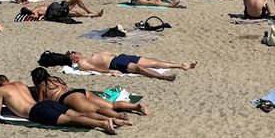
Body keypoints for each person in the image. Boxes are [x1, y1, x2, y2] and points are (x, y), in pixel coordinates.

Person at [0, 76, 118, 133]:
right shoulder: (20, 83)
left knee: (71, 120)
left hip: (35, 111)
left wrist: (2, 103)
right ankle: (112, 119)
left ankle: (103, 124)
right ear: (8, 80)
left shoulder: (1, 90)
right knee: (79, 113)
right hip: (47, 103)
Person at [30, 67, 148, 124]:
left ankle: (119, 116)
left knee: (97, 109)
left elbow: (41, 103)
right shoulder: (55, 79)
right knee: (111, 104)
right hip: (81, 91)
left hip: (70, 98)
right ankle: (135, 106)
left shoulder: (42, 86)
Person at [39, 50, 197, 81]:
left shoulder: (86, 56)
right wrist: (111, 71)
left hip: (121, 56)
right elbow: (95, 69)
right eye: (73, 54)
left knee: (153, 61)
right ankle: (164, 77)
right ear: (73, 59)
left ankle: (181, 65)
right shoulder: (81, 63)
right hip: (116, 62)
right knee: (140, 69)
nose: (76, 53)